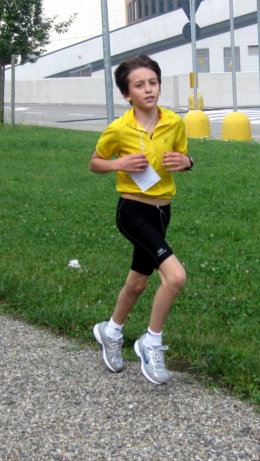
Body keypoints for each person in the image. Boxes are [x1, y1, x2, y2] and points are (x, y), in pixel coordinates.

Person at [88, 54, 193, 385]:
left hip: (162, 211)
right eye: (139, 85)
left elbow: (183, 156)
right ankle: (151, 342)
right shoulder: (119, 129)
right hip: (133, 211)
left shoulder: (173, 122)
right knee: (175, 277)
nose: (148, 89)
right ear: (126, 94)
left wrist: (187, 162)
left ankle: (111, 331)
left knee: (138, 282)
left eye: (153, 82)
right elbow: (95, 162)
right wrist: (118, 164)